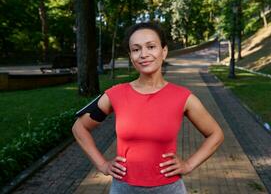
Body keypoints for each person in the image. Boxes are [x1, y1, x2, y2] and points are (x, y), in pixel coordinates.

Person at [72, 22, 224, 194]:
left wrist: (188, 164)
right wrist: (102, 164)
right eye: (136, 49)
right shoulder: (115, 94)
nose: (144, 54)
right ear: (131, 56)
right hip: (124, 189)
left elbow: (216, 134)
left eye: (151, 47)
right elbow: (80, 127)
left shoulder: (183, 97)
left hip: (169, 189)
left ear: (163, 51)